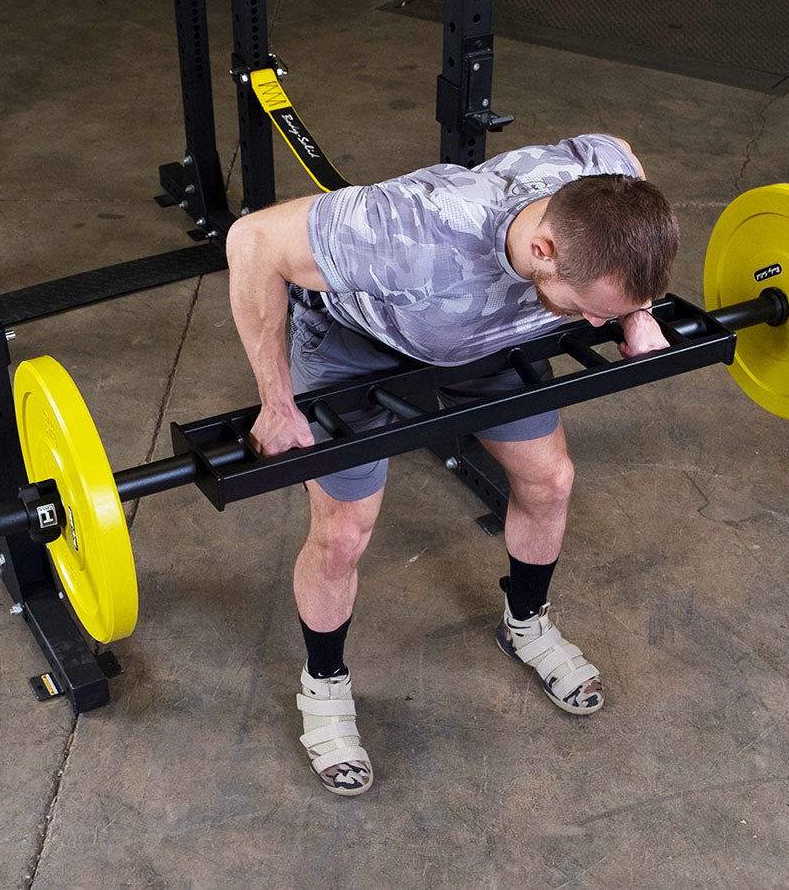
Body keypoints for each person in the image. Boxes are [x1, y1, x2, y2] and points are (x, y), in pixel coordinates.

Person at [226, 133, 679, 796]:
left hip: (488, 340)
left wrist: (633, 314)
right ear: (542, 250)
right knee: (344, 532)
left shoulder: (600, 182)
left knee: (551, 481)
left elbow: (624, 153)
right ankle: (323, 683)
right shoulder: (408, 230)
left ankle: (526, 622)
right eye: (586, 308)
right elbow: (252, 241)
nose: (591, 323)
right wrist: (275, 399)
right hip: (360, 346)